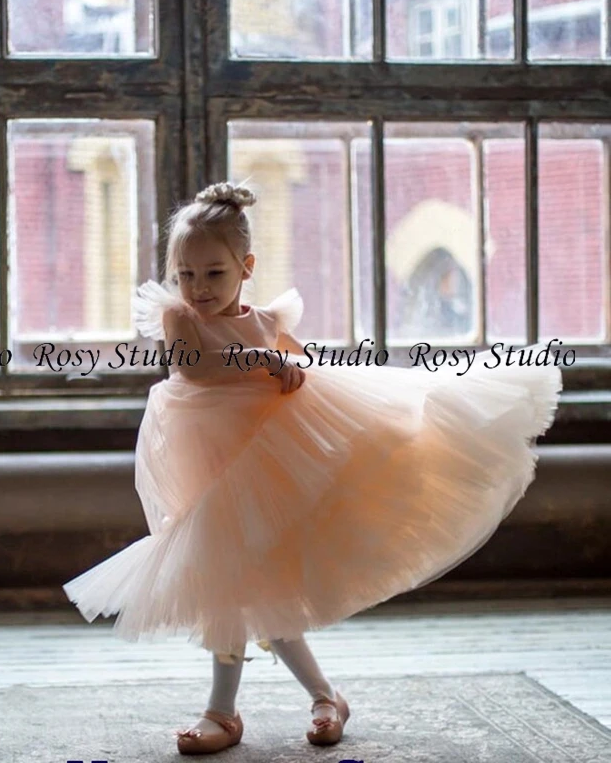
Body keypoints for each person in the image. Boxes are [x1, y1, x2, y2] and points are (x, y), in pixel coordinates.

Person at [62, 181, 563, 755]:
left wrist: (296, 370)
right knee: (235, 586)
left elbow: (300, 364)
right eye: (186, 274)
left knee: (260, 589)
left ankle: (268, 705)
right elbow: (196, 370)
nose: (198, 288)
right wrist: (262, 358)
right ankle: (277, 702)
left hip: (272, 475)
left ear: (246, 267)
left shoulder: (268, 319)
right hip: (214, 473)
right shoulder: (181, 320)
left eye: (214, 274)